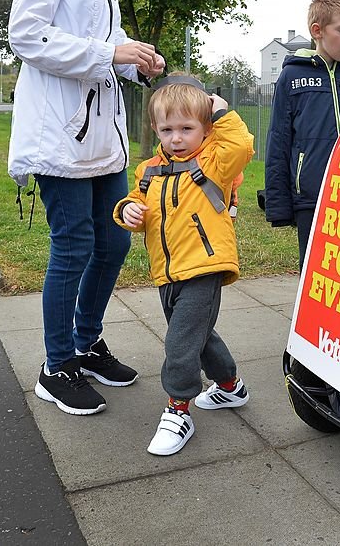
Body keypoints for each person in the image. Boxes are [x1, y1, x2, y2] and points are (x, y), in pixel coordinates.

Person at [7, 0, 165, 416]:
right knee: (73, 247)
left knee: (114, 241)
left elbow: (102, 39)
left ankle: (86, 341)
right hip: (60, 130)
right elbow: (27, 35)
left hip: (104, 133)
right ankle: (56, 365)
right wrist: (110, 55)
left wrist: (134, 52)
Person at [114, 77, 254, 456]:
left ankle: (179, 409)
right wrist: (127, 211)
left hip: (204, 268)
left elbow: (241, 144)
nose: (176, 138)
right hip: (167, 272)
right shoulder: (149, 171)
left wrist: (222, 111)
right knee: (199, 336)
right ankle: (230, 387)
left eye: (187, 128)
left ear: (206, 128)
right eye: (167, 129)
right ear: (156, 130)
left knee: (180, 343)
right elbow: (135, 205)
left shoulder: (215, 163)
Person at [264, 0, 340, 267]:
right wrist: (279, 204)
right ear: (317, 31)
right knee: (315, 270)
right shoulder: (292, 76)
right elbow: (278, 139)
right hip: (312, 197)